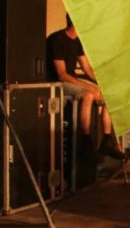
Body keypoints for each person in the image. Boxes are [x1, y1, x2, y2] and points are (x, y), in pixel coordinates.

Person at [47, 14, 121, 157]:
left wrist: (103, 84)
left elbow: (86, 68)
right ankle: (86, 140)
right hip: (57, 82)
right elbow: (62, 74)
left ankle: (106, 140)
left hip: (71, 78)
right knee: (88, 95)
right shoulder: (57, 39)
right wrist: (89, 87)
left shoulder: (77, 41)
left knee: (108, 95)